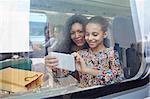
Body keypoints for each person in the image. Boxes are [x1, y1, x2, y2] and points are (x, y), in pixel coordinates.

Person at [72, 16, 124, 88]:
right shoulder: (80, 54)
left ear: (104, 34)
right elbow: (62, 73)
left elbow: (118, 78)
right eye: (87, 34)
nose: (90, 38)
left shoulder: (111, 54)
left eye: (95, 35)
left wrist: (87, 70)